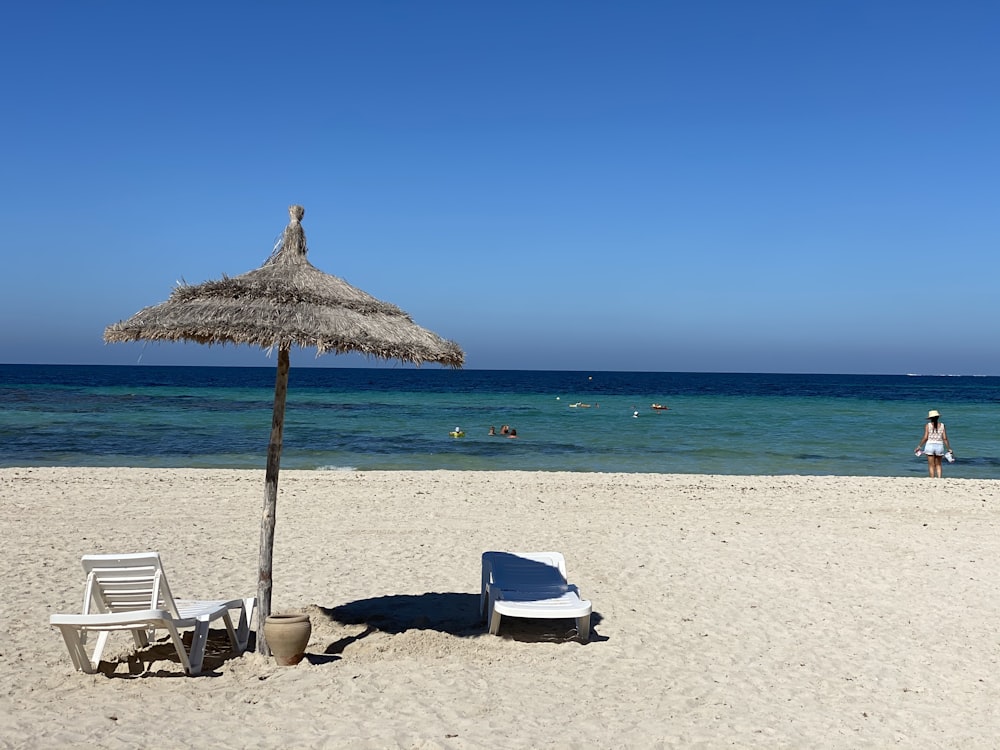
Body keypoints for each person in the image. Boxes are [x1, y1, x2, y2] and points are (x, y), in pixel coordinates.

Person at [916, 409, 953, 478]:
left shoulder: (928, 425)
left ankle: (932, 478)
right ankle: (939, 478)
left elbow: (925, 437)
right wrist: (949, 448)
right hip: (939, 445)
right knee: (938, 464)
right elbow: (944, 438)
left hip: (930, 445)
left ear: (930, 418)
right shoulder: (942, 425)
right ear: (938, 417)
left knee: (931, 465)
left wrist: (919, 446)